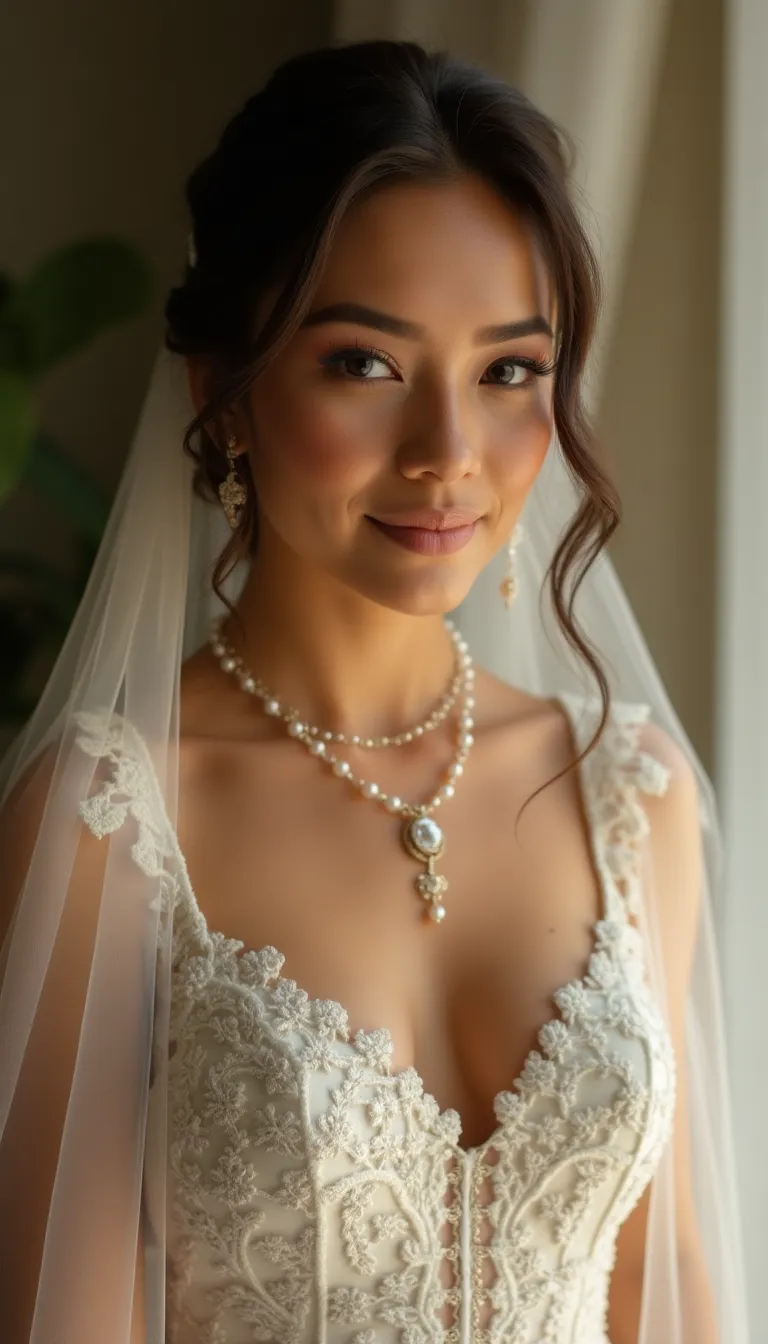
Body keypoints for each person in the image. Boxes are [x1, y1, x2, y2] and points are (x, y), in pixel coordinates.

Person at [0, 38, 749, 1344]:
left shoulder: (634, 798)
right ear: (223, 394)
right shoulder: (109, 826)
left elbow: (668, 1295)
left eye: (509, 371)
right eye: (365, 363)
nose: (449, 456)